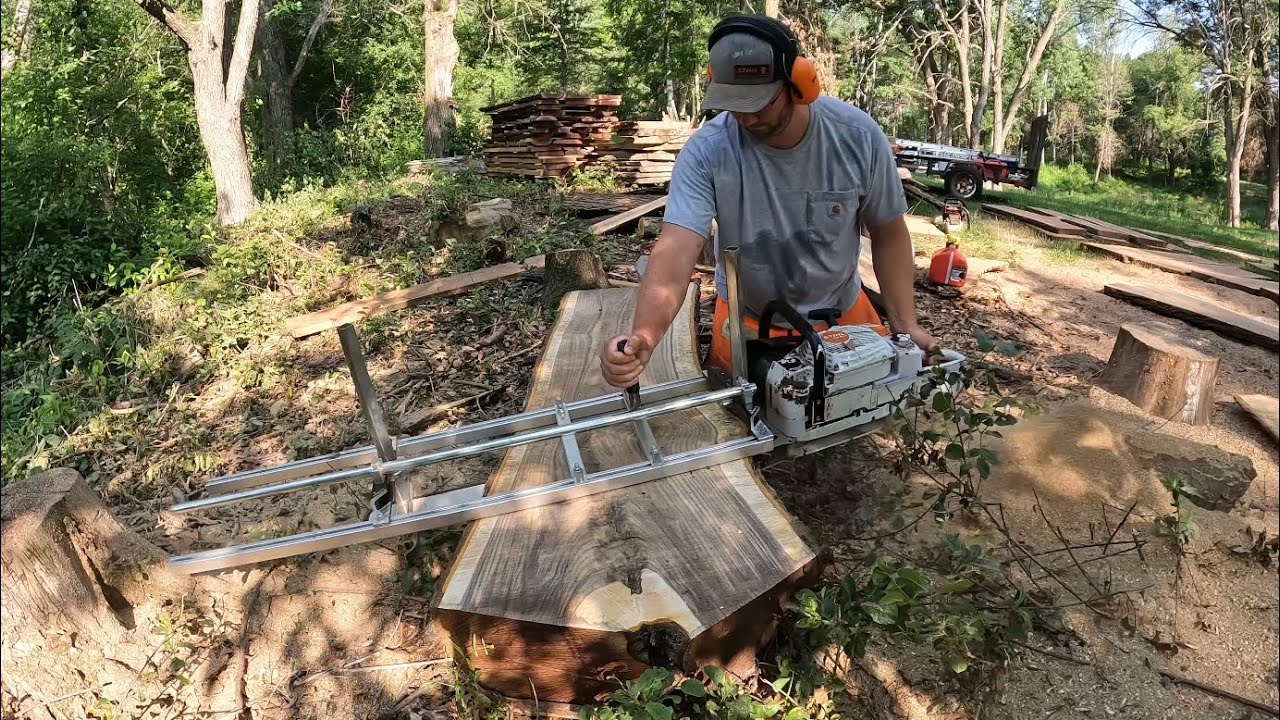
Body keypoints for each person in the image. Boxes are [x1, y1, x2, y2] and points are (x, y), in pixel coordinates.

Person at [600, 14, 938, 389]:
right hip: (746, 318)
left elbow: (888, 232)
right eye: (734, 104)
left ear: (798, 84)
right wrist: (644, 335)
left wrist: (905, 327)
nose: (746, 118)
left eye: (760, 103)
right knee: (736, 417)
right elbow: (676, 248)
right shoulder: (707, 152)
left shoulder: (857, 139)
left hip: (841, 316)